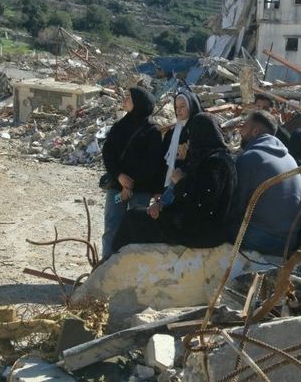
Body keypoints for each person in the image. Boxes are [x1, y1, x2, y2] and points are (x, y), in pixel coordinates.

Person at [113, 113, 236, 250]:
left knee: (133, 220)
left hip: (201, 232)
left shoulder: (215, 163)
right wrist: (163, 206)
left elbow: (202, 199)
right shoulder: (218, 158)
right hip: (200, 226)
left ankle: (113, 263)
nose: (190, 141)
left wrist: (180, 182)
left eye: (192, 136)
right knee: (138, 216)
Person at [100, 87, 165, 259]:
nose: (125, 99)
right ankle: (105, 267)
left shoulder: (152, 131)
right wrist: (120, 178)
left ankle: (129, 267)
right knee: (112, 226)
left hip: (141, 190)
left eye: (129, 97)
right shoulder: (118, 127)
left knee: (136, 229)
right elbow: (108, 154)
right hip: (117, 187)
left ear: (139, 103)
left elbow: (151, 164)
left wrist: (130, 185)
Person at [231, 110, 301, 255]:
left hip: (262, 239)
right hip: (290, 240)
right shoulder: (290, 158)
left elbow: (235, 205)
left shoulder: (251, 157)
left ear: (255, 131)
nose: (240, 131)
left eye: (244, 126)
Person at [161, 88, 202, 197]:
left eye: (182, 106)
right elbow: (164, 159)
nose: (178, 110)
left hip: (191, 185)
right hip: (171, 183)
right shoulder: (172, 133)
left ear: (191, 106)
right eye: (176, 107)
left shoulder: (201, 130)